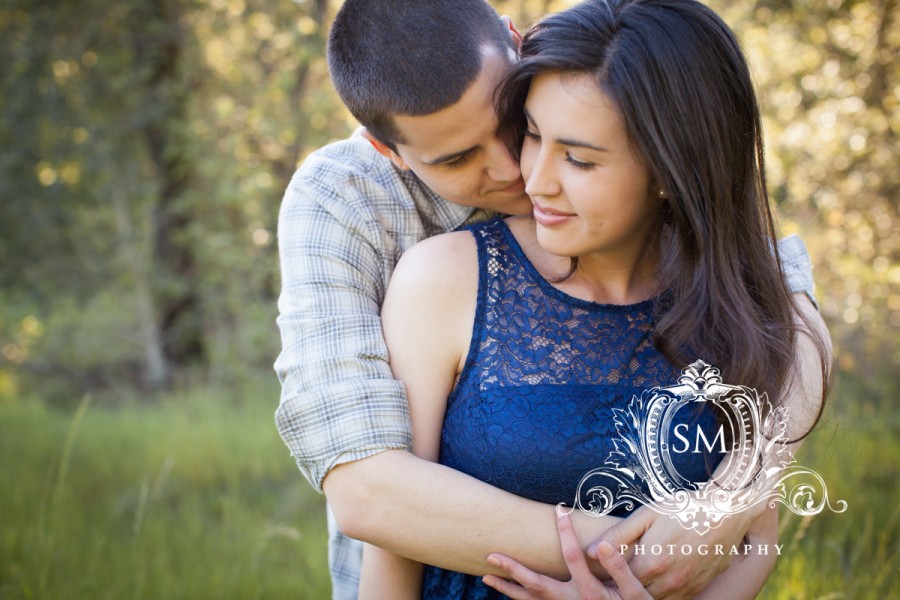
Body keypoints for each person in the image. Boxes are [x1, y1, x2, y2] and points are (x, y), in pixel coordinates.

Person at [273, 0, 823, 598]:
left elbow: (786, 308)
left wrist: (735, 495)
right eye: (459, 159)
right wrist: (647, 558)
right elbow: (370, 490)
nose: (519, 172)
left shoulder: (597, 89)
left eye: (513, 122)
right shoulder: (347, 205)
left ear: (518, 44)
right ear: (391, 151)